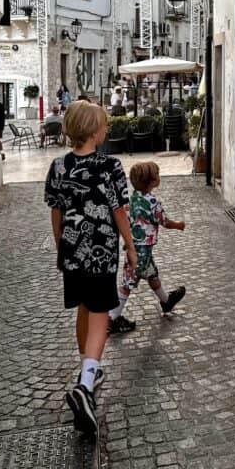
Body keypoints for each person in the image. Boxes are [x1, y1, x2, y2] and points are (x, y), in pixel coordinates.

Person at [45, 102, 135, 439]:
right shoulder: (110, 166)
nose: (106, 130)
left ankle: (88, 366)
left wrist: (60, 245)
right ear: (93, 131)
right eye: (103, 125)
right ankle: (85, 385)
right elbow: (119, 211)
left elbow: (55, 211)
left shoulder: (57, 166)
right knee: (101, 316)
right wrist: (131, 247)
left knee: (84, 308)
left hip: (71, 252)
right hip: (99, 252)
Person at [108, 162, 187, 333]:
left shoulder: (132, 199)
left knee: (152, 275)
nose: (159, 177)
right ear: (151, 181)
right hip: (139, 252)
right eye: (157, 174)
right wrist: (178, 225)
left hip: (136, 248)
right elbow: (164, 221)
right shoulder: (152, 203)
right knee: (128, 283)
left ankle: (166, 301)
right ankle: (112, 319)